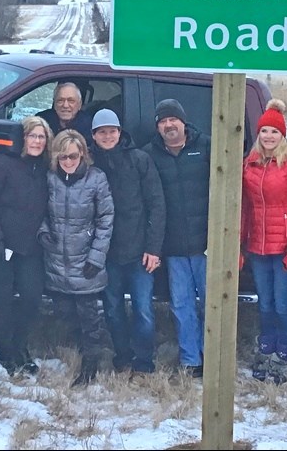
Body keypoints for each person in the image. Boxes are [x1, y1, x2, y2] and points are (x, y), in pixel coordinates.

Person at [0, 116, 52, 377]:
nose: (37, 141)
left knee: (31, 296)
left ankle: (20, 345)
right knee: (2, 297)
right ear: (22, 137)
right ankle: (7, 352)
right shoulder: (0, 164)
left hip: (29, 245)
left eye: (42, 137)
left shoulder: (44, 169)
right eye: (32, 136)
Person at [240, 99, 287, 384]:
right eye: (264, 131)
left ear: (283, 135)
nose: (268, 137)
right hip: (258, 246)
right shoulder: (251, 161)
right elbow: (245, 205)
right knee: (265, 304)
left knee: (283, 304)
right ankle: (266, 350)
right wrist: (241, 242)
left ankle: (285, 355)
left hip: (285, 248)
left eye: (274, 132)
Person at [89, 108, 166, 376]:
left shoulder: (139, 160)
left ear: (120, 133)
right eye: (101, 132)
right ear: (94, 136)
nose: (107, 136)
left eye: (112, 130)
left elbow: (156, 204)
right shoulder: (88, 164)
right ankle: (122, 356)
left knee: (143, 310)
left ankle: (144, 361)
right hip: (106, 254)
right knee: (111, 310)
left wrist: (153, 248)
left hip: (139, 253)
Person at [38, 129, 114, 386]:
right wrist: (43, 233)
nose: (68, 162)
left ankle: (91, 364)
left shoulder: (96, 179)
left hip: (86, 260)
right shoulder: (50, 179)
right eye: (63, 157)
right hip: (58, 260)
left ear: (82, 153)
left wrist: (96, 257)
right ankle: (79, 350)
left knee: (89, 316)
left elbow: (106, 219)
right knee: (64, 312)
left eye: (73, 156)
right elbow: (40, 213)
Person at [143, 99, 211, 378]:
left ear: (184, 121)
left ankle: (213, 355)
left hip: (207, 246)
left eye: (173, 119)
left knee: (212, 304)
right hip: (173, 248)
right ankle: (190, 359)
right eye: (162, 121)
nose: (169, 125)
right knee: (181, 305)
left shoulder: (206, 146)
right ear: (158, 127)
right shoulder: (150, 154)